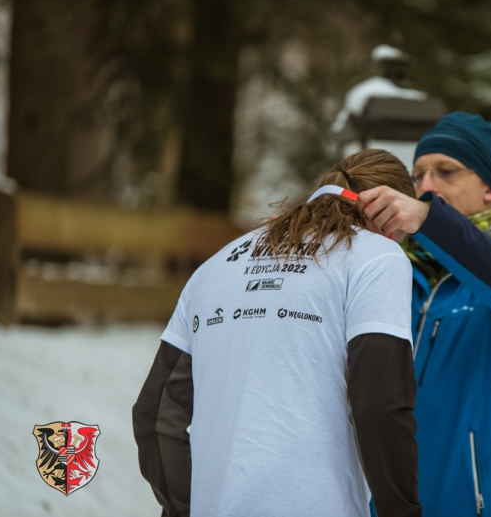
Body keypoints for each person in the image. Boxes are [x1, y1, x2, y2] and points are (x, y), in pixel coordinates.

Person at [133, 149, 422, 517]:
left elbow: (156, 417)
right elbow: (380, 406)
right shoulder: (378, 257)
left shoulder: (216, 266)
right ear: (393, 219)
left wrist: (188, 508)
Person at [359, 112, 491, 517]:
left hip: (473, 505)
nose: (427, 187)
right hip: (381, 502)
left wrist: (431, 221)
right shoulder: (396, 271)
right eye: (418, 176)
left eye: (446, 172)